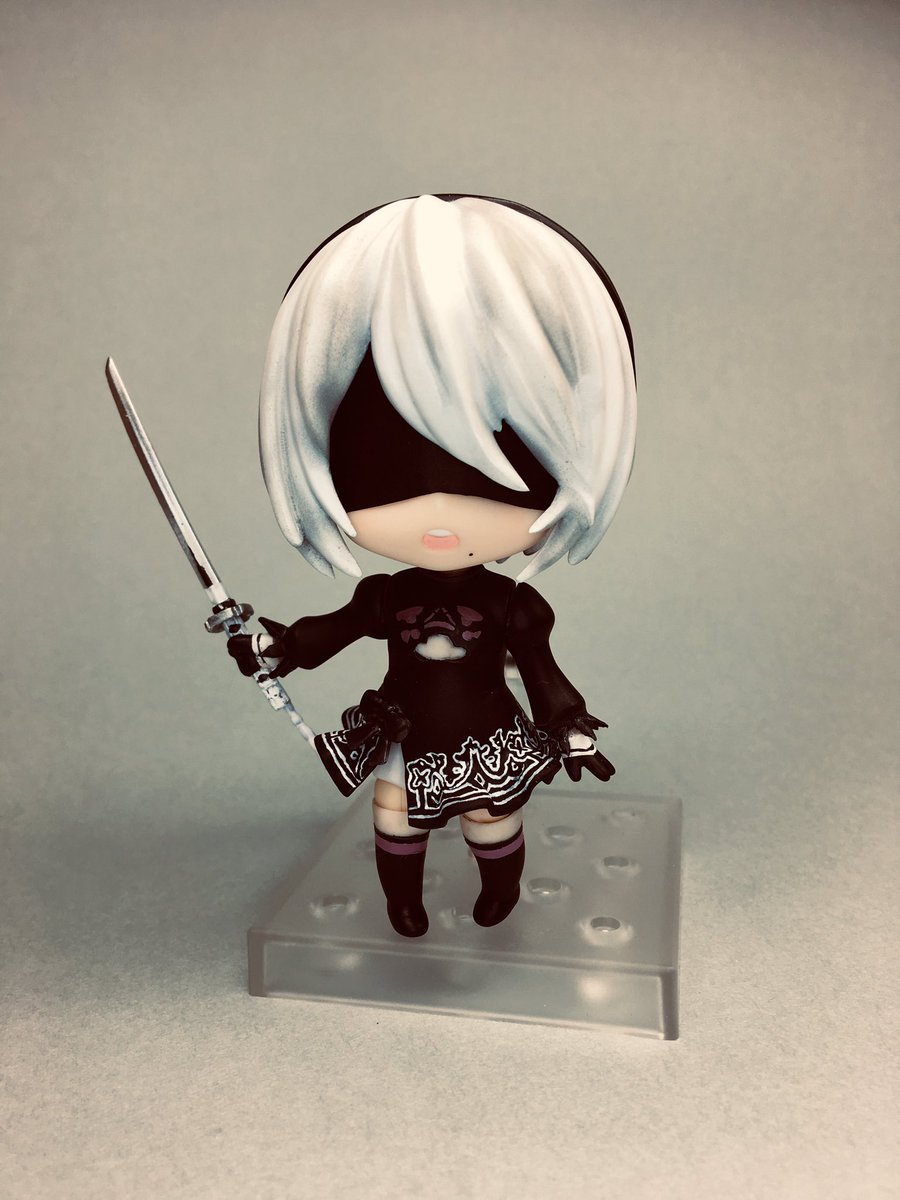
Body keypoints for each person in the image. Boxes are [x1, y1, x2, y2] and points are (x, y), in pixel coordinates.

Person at [229, 194, 636, 937]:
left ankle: (499, 889)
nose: (441, 513)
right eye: (381, 474)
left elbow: (541, 671)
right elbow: (328, 632)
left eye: (500, 476)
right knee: (395, 816)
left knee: (490, 818)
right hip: (405, 730)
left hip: (486, 733)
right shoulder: (385, 597)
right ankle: (404, 901)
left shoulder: (513, 607)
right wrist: (277, 647)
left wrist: (569, 722)